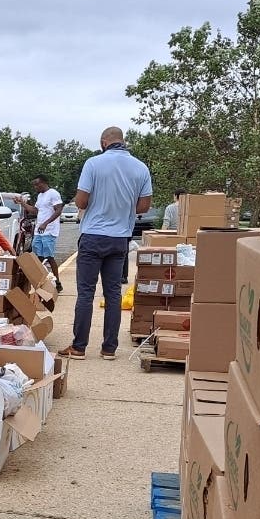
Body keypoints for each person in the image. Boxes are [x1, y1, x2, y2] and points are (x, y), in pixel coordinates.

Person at [59, 126, 152, 361]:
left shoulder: (93, 164)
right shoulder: (141, 168)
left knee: (86, 293)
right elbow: (143, 207)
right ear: (123, 141)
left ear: (104, 142)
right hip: (120, 238)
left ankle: (79, 347)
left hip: (93, 236)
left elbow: (81, 200)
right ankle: (109, 348)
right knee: (113, 294)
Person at [19, 175, 65, 292]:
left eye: (37, 184)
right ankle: (38, 281)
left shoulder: (53, 193)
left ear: (44, 183)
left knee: (49, 256)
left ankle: (57, 282)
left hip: (49, 231)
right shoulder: (40, 196)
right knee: (37, 256)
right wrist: (22, 203)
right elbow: (35, 210)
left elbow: (59, 210)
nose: (35, 187)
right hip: (39, 231)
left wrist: (46, 223)